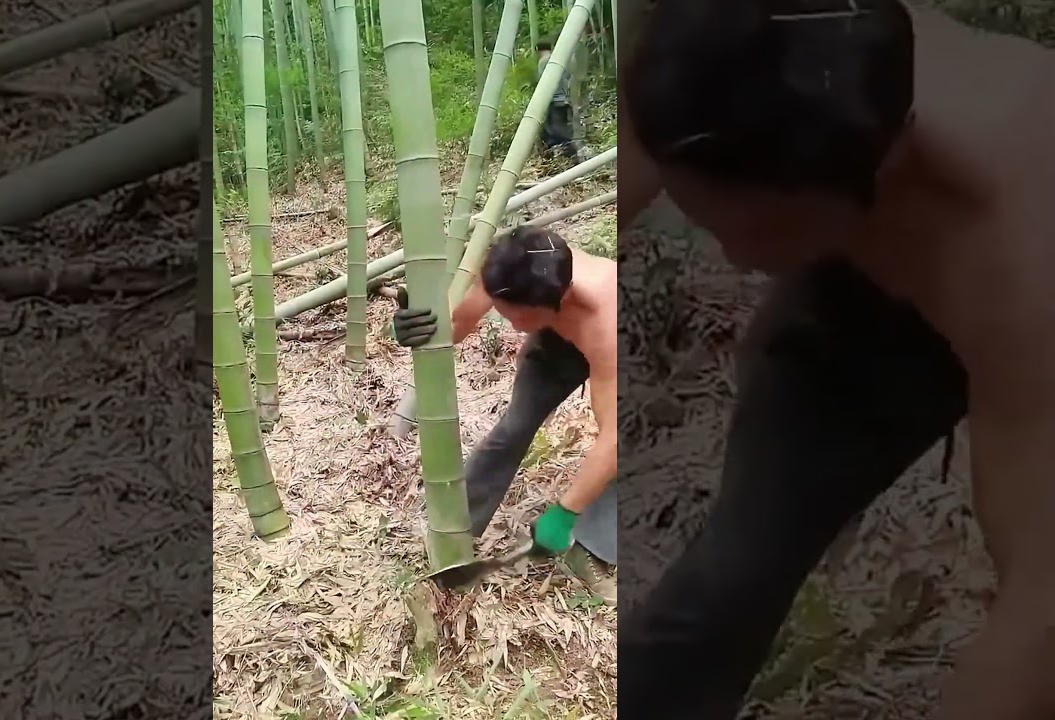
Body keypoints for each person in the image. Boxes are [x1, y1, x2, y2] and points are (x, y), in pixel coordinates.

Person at [617, 0, 1055, 718]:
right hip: (860, 268)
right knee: (731, 577)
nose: (734, 260)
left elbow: (1039, 620)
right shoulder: (697, 67)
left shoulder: (1026, 264)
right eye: (704, 218)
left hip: (993, 288)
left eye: (763, 232)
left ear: (892, 158)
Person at [392, 226, 618, 604]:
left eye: (519, 318)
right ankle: (454, 524)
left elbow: (613, 437)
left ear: (554, 302)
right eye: (504, 313)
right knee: (516, 426)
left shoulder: (609, 321)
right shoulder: (508, 272)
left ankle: (591, 549)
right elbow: (456, 326)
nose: (512, 327)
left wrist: (564, 513)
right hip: (557, 339)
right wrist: (411, 327)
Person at [535, 41, 583, 165]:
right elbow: (568, 77)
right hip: (564, 99)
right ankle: (548, 160)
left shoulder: (543, 61)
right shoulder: (561, 60)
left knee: (558, 132)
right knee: (549, 132)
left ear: (538, 50)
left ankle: (573, 158)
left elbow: (543, 83)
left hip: (553, 101)